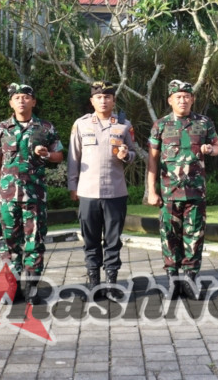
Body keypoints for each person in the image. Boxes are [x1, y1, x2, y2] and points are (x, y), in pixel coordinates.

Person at [0, 83, 64, 303]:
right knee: (9, 242)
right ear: (11, 102)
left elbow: (59, 155)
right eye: (17, 97)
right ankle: (12, 289)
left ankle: (31, 289)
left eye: (25, 97)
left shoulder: (45, 128)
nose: (21, 101)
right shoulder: (1, 128)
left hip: (34, 196)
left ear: (33, 102)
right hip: (7, 197)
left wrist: (48, 154)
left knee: (35, 241)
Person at [147, 79, 218, 299]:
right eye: (178, 97)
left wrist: (211, 149)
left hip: (196, 193)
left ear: (192, 99)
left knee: (195, 236)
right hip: (169, 193)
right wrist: (151, 190)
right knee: (169, 236)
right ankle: (172, 279)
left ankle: (190, 279)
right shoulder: (161, 125)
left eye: (187, 96)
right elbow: (152, 160)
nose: (183, 100)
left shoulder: (204, 122)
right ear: (170, 100)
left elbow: (217, 146)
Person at [68, 81, 135, 299]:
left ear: (113, 100)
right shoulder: (81, 124)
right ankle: (94, 284)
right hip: (87, 192)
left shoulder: (124, 125)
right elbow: (73, 157)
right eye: (99, 97)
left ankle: (112, 284)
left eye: (107, 97)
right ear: (92, 101)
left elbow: (133, 154)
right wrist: (72, 185)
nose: (103, 100)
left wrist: (127, 155)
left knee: (113, 240)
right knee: (91, 240)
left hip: (115, 192)